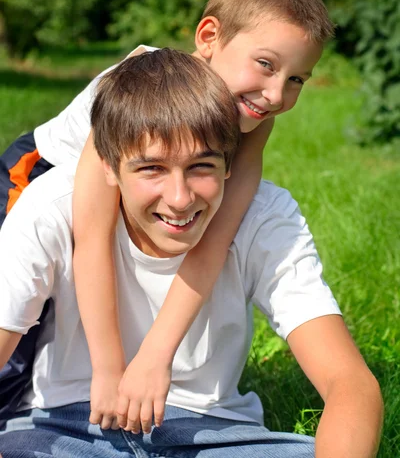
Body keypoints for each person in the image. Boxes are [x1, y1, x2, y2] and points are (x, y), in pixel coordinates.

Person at [0, 49, 383, 458]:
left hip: (212, 437)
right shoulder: (53, 205)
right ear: (108, 167)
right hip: (61, 429)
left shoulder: (264, 217)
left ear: (229, 165)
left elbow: (351, 384)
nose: (180, 199)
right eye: (151, 169)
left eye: (201, 166)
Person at [0, 0, 333, 430]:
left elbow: (213, 241)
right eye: (266, 64)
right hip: (37, 175)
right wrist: (110, 369)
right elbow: (92, 237)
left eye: (297, 79)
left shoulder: (256, 121)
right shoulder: (137, 88)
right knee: (16, 342)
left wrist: (157, 355)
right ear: (209, 35)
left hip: (145, 186)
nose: (277, 94)